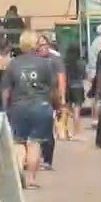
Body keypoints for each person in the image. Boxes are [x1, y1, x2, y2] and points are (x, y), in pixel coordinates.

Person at [3, 31, 55, 190]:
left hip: (19, 106)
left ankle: (19, 173)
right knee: (35, 143)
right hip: (40, 105)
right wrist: (53, 103)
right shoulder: (45, 63)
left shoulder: (13, 64)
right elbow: (52, 87)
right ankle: (31, 178)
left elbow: (6, 89)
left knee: (19, 142)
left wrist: (5, 107)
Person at [36, 34, 66, 171]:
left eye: (45, 44)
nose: (43, 47)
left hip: (50, 97)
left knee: (48, 128)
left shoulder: (55, 60)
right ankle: (37, 157)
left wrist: (62, 98)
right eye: (40, 45)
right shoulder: (33, 59)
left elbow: (61, 79)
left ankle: (47, 159)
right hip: (34, 97)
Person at [61, 43, 85, 141]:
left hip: (68, 86)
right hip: (78, 86)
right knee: (77, 110)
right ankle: (76, 132)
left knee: (67, 110)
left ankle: (66, 132)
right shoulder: (81, 62)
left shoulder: (65, 62)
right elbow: (84, 75)